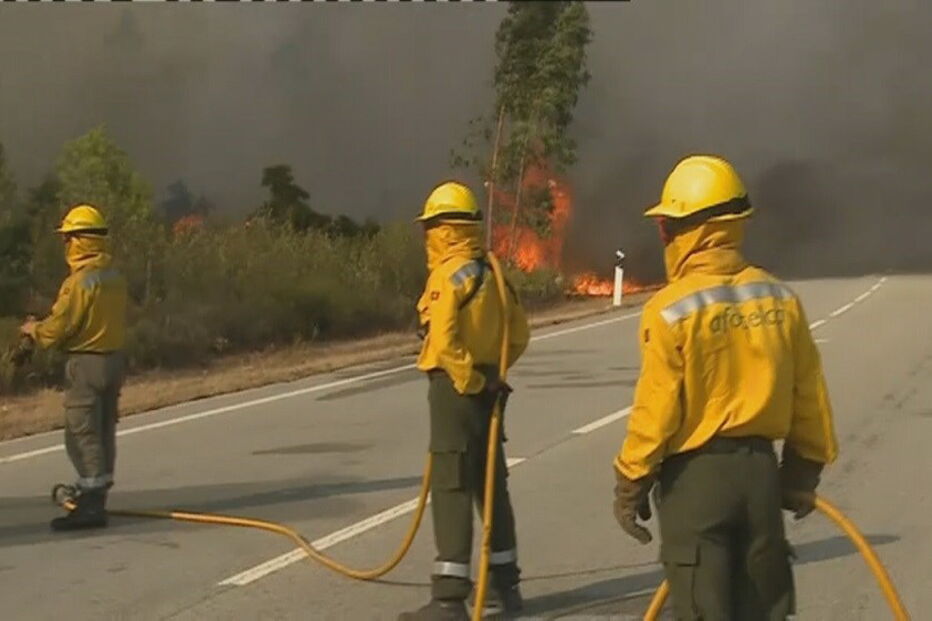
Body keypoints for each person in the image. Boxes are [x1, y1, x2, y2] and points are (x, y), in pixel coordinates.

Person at [612, 155, 838, 620]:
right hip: (760, 478)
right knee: (761, 608)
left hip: (696, 486)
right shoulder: (779, 298)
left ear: (685, 231)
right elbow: (808, 396)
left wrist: (630, 481)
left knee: (703, 607)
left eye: (666, 226)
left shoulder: (670, 308)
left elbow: (656, 410)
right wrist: (801, 473)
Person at [400, 181, 530, 621]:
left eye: (429, 227)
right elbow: (521, 333)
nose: (426, 236)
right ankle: (505, 586)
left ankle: (449, 598)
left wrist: (468, 378)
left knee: (452, 486)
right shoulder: (493, 273)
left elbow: (444, 338)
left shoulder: (446, 275)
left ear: (442, 229)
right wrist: (494, 374)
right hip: (491, 390)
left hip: (457, 393)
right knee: (491, 486)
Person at [21, 204, 128, 531]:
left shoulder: (80, 282)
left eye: (68, 238)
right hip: (114, 360)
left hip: (86, 363)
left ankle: (91, 504)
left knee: (81, 432)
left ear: (80, 240)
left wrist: (33, 331)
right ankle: (98, 492)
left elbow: (61, 326)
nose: (65, 245)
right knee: (104, 429)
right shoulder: (113, 275)